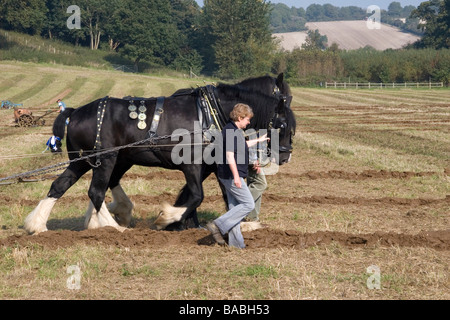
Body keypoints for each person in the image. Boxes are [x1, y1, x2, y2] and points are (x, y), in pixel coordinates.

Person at [207, 103, 269, 249]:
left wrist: (259, 141)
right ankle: (217, 225)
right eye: (247, 119)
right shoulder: (230, 131)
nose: (248, 123)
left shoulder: (234, 130)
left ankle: (236, 245)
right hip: (230, 176)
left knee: (234, 207)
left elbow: (243, 145)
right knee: (248, 204)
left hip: (231, 175)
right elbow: (229, 156)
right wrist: (236, 177)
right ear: (240, 117)